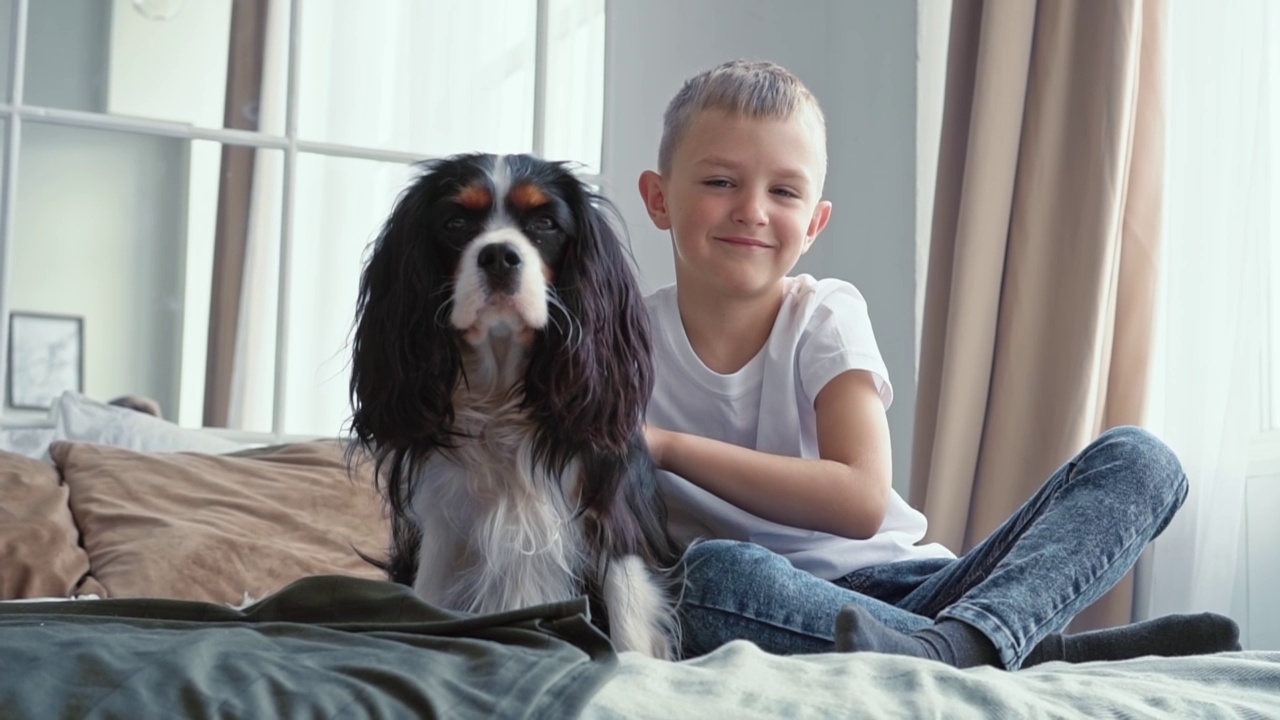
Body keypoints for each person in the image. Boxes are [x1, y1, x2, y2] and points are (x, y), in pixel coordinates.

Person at [635, 59, 1240, 670]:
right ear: (658, 199)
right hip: (765, 597)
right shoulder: (621, 342)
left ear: (815, 224)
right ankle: (1017, 652)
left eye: (784, 191)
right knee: (703, 580)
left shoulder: (823, 315)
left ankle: (960, 641)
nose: (753, 211)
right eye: (720, 183)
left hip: (910, 585)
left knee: (1141, 458)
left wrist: (666, 447)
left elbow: (860, 497)